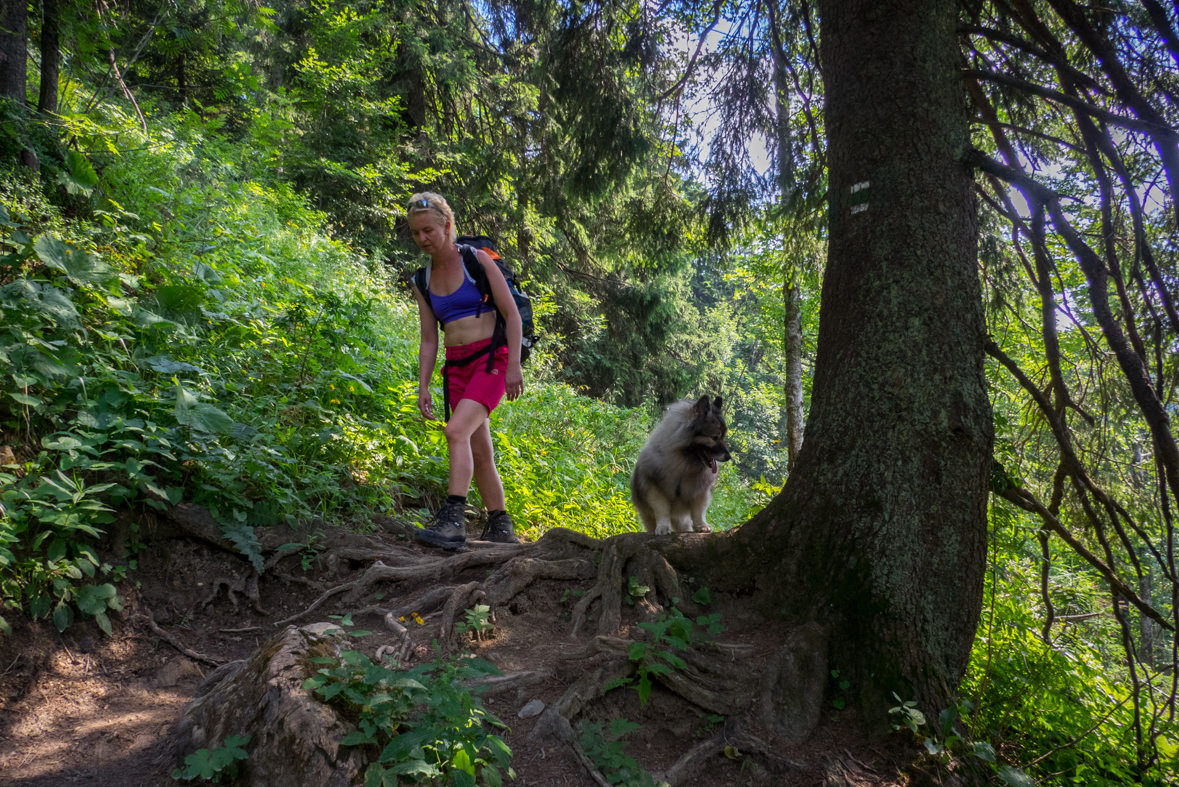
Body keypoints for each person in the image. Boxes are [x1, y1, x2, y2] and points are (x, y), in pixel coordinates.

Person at [407, 192, 523, 548]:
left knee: (455, 431)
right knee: (478, 450)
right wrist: (423, 386)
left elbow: (512, 315)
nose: (423, 238)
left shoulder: (477, 260)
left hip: (492, 359)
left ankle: (453, 519)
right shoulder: (421, 279)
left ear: (446, 224)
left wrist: (514, 364)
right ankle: (501, 528)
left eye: (428, 230)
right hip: (456, 366)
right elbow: (430, 340)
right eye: (416, 233)